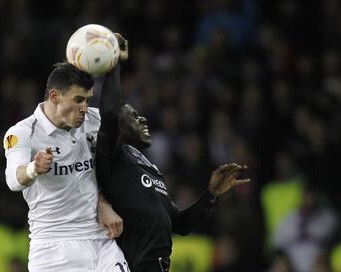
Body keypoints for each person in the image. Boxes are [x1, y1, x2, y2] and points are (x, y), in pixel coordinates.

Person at [96, 36, 250, 272]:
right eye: (133, 116)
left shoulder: (148, 166)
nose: (143, 118)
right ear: (117, 124)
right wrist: (114, 61)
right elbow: (109, 110)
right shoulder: (111, 156)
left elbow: (181, 224)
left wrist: (211, 194)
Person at [3, 52, 129, 271]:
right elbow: (13, 180)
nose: (84, 108)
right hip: (54, 247)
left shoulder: (93, 121)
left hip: (101, 239)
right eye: (78, 100)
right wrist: (33, 168)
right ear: (54, 96)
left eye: (88, 100)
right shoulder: (23, 132)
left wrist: (114, 62)